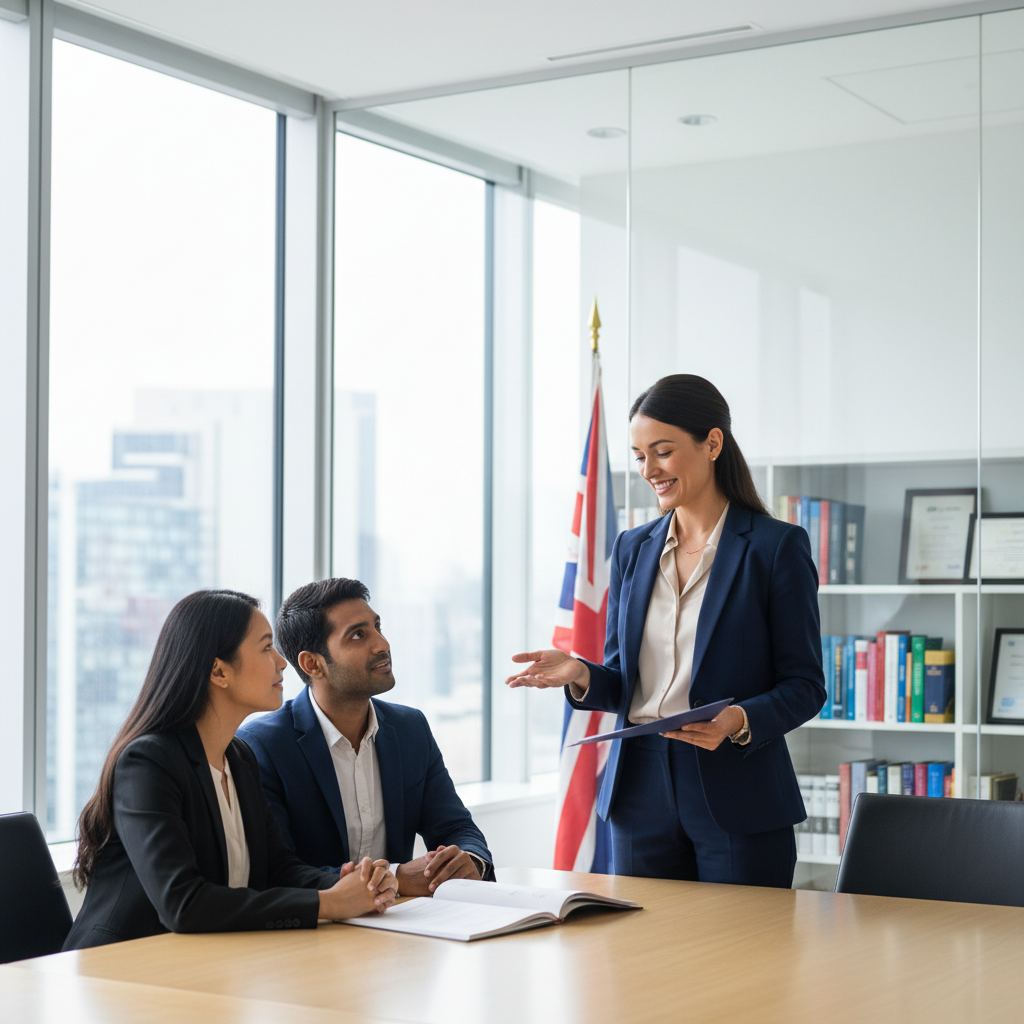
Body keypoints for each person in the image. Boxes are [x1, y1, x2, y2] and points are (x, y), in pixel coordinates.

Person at [506, 374, 826, 888]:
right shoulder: (633, 548)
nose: (648, 470)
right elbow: (625, 681)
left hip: (736, 785)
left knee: (742, 959)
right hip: (639, 788)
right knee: (643, 958)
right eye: (638, 456)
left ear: (713, 443)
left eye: (662, 452)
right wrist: (581, 674)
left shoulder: (775, 547)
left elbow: (806, 685)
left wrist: (738, 720)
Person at [64, 590, 397, 951]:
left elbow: (278, 869)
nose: (282, 663)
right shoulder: (148, 763)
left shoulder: (237, 756)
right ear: (218, 671)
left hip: (202, 963)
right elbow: (183, 904)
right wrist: (327, 904)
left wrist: (349, 883)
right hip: (120, 969)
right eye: (266, 647)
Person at [238, 578, 493, 897]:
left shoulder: (410, 728)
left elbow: (456, 827)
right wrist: (395, 876)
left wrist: (469, 860)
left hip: (406, 924)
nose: (382, 644)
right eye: (358, 635)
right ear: (312, 664)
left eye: (377, 626)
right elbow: (278, 870)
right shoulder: (261, 745)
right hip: (315, 930)